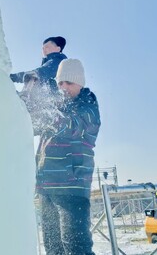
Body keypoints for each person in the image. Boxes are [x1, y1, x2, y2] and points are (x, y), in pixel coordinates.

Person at [35, 58, 101, 255]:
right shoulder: (56, 109)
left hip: (71, 188)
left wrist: (46, 113)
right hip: (46, 188)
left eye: (69, 83)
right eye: (60, 83)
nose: (63, 87)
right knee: (53, 249)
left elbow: (72, 126)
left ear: (80, 83)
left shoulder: (88, 107)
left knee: (76, 248)